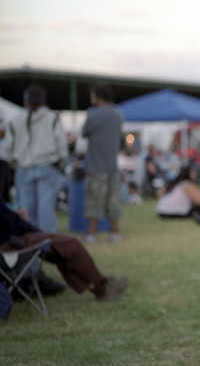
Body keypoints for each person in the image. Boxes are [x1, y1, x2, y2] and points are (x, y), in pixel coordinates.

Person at [0, 199, 128, 301]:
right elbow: (7, 219)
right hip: (7, 243)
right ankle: (101, 288)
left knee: (60, 249)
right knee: (69, 244)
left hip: (10, 239)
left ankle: (99, 287)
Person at [5, 84, 67, 233]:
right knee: (46, 208)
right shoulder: (53, 118)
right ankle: (47, 244)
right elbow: (62, 144)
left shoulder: (15, 120)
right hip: (47, 166)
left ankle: (30, 242)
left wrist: (13, 162)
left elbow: (8, 147)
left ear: (26, 100)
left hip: (23, 166)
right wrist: (61, 161)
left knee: (25, 208)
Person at [81, 84, 124, 244]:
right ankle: (114, 232)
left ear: (98, 97)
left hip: (95, 165)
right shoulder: (117, 114)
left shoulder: (93, 114)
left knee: (94, 200)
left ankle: (91, 234)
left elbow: (84, 132)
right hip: (112, 165)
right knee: (113, 200)